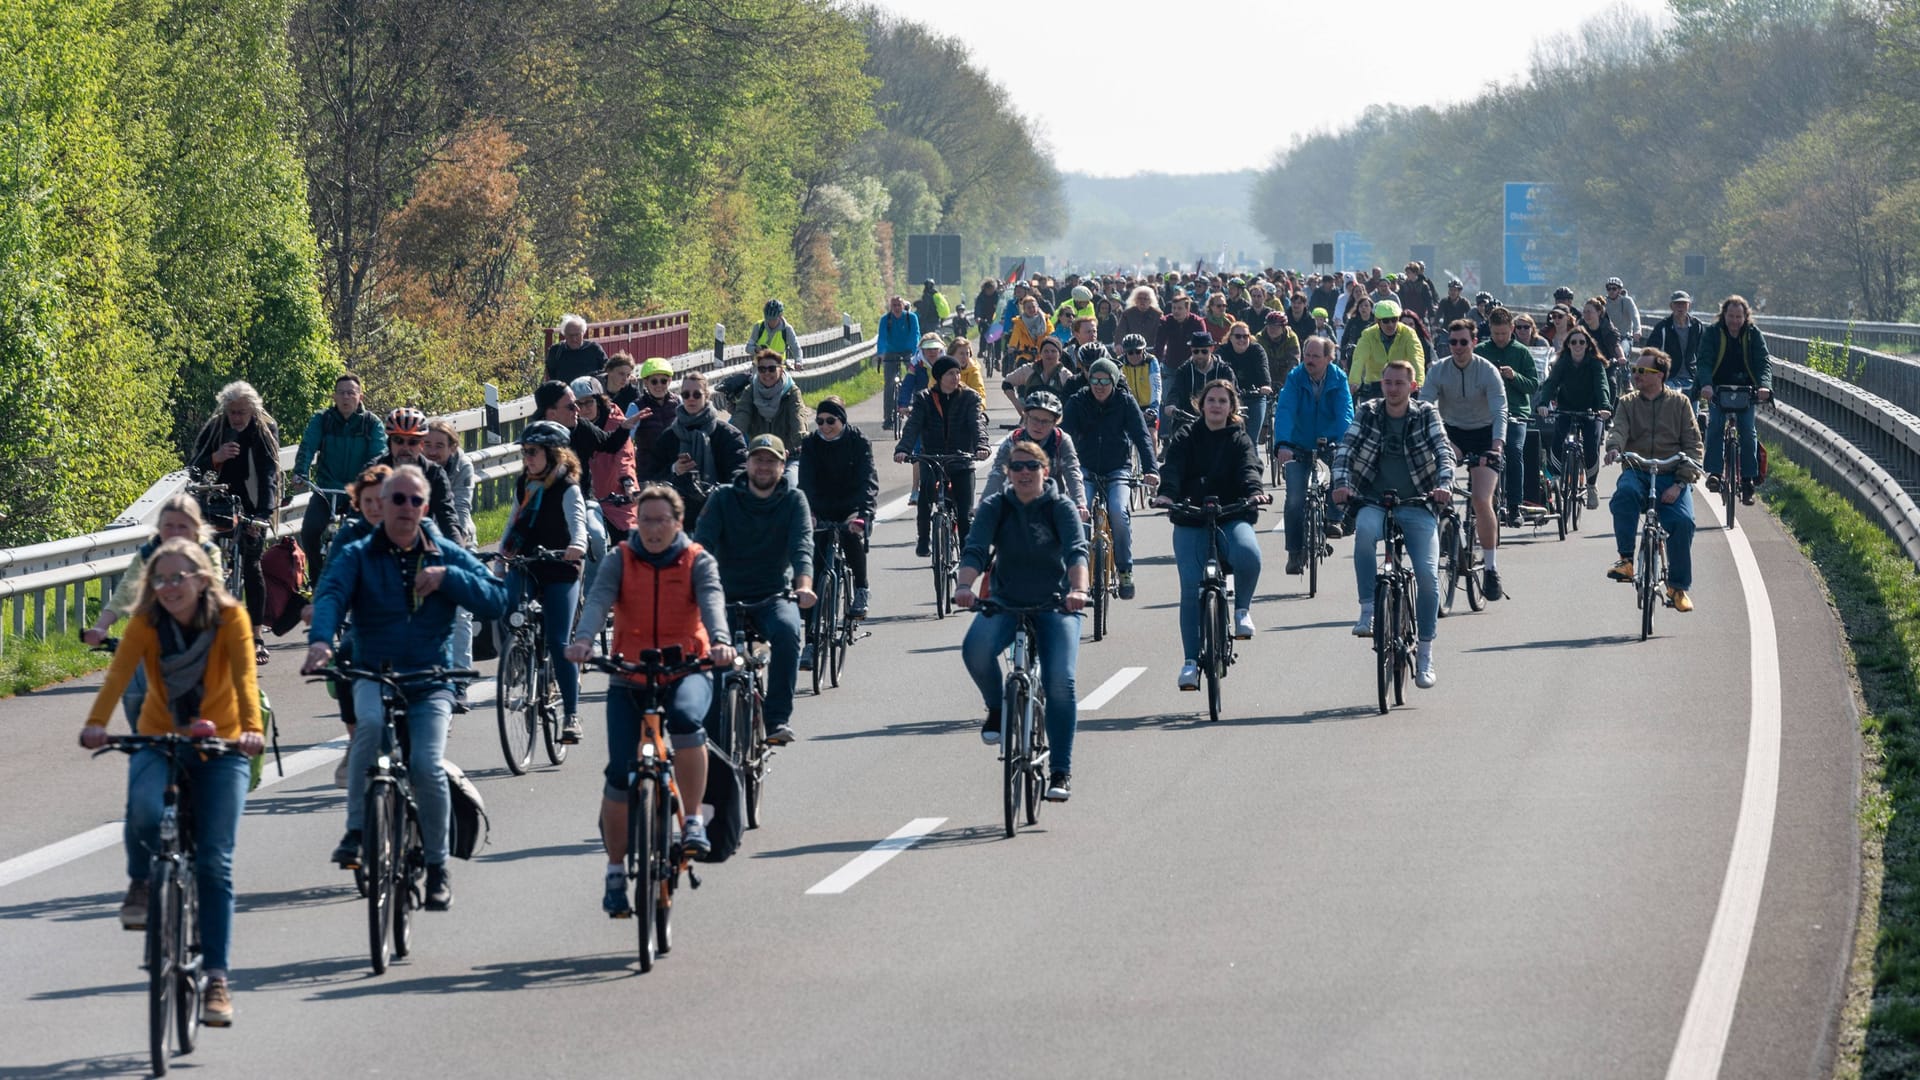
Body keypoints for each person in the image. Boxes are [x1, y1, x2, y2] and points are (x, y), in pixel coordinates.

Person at [80, 538, 265, 1027]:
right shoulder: (147, 622)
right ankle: (144, 885)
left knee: (214, 862)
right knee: (142, 811)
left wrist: (252, 730)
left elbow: (246, 681)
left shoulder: (230, 618)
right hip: (160, 735)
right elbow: (119, 675)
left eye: (177, 578)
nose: (167, 588)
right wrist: (96, 723)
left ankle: (218, 979)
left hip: (223, 744)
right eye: (159, 580)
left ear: (202, 578)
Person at [307, 465, 508, 909]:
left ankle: (437, 868)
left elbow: (497, 596)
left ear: (426, 507)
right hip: (372, 672)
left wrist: (447, 579)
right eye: (396, 499)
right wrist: (321, 642)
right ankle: (358, 832)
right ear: (379, 506)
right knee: (370, 725)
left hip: (429, 680)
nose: (404, 508)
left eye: (414, 501)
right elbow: (331, 596)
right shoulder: (358, 553)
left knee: (427, 767)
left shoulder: (443, 551)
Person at [566, 485, 734, 905]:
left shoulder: (697, 560)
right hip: (631, 674)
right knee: (620, 777)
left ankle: (692, 820)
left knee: (685, 722)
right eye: (646, 520)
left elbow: (713, 603)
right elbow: (598, 600)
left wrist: (720, 642)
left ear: (678, 522)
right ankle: (615, 871)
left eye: (662, 520)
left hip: (686, 669)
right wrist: (584, 641)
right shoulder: (619, 559)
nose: (653, 528)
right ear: (635, 522)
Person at [953, 440, 1088, 802]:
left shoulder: (1059, 507)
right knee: (975, 650)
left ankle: (1060, 770)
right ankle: (997, 708)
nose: (1024, 473)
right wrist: (965, 585)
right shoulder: (997, 506)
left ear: (1046, 470)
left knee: (1061, 681)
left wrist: (1078, 591)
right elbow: (976, 549)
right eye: (1017, 467)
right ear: (1008, 473)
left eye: (1032, 466)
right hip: (1005, 601)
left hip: (1057, 604)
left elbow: (1077, 550)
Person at [1333, 359, 1452, 689]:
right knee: (1364, 536)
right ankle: (1368, 610)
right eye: (1388, 382)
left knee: (1428, 577)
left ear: (1412, 387)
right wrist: (1341, 484)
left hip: (1418, 503)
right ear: (1381, 384)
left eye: (1400, 383)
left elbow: (1443, 451)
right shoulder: (1369, 411)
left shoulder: (1426, 413)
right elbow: (1346, 449)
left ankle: (1425, 653)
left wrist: (1444, 484)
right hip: (1374, 501)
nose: (1393, 388)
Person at [693, 434, 814, 746]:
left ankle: (776, 720)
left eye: (771, 460)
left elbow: (802, 547)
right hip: (724, 597)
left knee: (788, 632)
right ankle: (712, 741)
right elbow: (701, 544)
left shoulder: (793, 500)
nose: (763, 466)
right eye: (758, 459)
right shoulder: (722, 497)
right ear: (747, 463)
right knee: (716, 666)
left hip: (773, 595)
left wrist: (804, 587)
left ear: (781, 465)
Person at [1153, 381, 1271, 691]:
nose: (1216, 405)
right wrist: (1167, 495)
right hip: (1191, 518)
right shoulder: (1185, 436)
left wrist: (1254, 492)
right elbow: (1173, 468)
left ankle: (1242, 610)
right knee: (1191, 589)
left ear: (1232, 407)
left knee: (1249, 555)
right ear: (1200, 404)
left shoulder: (1239, 438)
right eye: (1211, 400)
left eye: (1223, 401)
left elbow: (1249, 467)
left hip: (1231, 515)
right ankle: (1190, 662)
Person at [84, 496, 226, 726]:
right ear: (159, 528)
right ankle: (144, 749)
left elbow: (215, 587)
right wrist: (101, 626)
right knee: (133, 696)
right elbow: (126, 592)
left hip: (195, 636)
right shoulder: (148, 553)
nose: (175, 532)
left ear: (196, 529)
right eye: (169, 526)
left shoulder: (207, 553)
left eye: (183, 526)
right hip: (151, 635)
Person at [499, 421, 591, 741]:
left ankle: (572, 715)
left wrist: (577, 546)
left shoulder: (568, 487)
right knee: (508, 604)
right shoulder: (524, 482)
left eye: (533, 452)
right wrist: (501, 558)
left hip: (560, 567)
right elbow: (512, 524)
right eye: (524, 452)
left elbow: (578, 523)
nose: (528, 458)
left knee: (558, 641)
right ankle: (519, 658)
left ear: (553, 454)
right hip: (527, 563)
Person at [1604, 348, 1705, 611]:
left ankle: (1677, 587)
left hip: (1672, 474)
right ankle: (1626, 560)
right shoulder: (1627, 402)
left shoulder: (1680, 404)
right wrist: (1614, 448)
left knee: (1683, 522)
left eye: (1642, 371)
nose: (1636, 375)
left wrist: (1680, 483)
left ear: (1659, 375)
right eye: (1635, 370)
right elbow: (1618, 430)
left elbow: (1694, 446)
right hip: (1638, 470)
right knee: (1624, 495)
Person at [188, 381, 281, 666]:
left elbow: (269, 474)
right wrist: (215, 458)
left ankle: (256, 637)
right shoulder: (216, 427)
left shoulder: (264, 429)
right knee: (208, 566)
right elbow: (193, 468)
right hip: (217, 503)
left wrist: (264, 516)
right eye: (233, 412)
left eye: (243, 412)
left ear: (253, 409)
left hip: (252, 505)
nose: (238, 418)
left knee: (252, 567)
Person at [1419, 320, 1509, 600]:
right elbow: (1424, 405)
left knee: (1481, 499)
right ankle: (1441, 534)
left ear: (1474, 341)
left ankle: (1491, 568)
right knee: (1433, 483)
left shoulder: (1487, 371)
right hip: (1452, 434)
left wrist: (1496, 446)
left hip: (1484, 436)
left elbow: (1500, 411)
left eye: (1463, 342)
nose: (1457, 348)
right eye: (1452, 343)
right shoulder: (1438, 370)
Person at [1061, 359, 1159, 599]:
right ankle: (1077, 571)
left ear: (1114, 381)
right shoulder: (1077, 402)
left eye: (1105, 380)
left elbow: (1142, 437)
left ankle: (1125, 570)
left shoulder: (1125, 402)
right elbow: (1062, 437)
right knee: (1079, 515)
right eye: (1095, 379)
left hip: (1118, 469)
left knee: (1118, 511)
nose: (1099, 385)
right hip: (1084, 468)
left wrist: (1151, 469)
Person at [1273, 335, 1356, 574]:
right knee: (1295, 499)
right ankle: (1295, 553)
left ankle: (1333, 519)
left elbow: (1345, 414)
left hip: (1330, 439)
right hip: (1297, 442)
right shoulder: (1295, 377)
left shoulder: (1339, 379)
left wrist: (1343, 443)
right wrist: (1283, 444)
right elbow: (1285, 410)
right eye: (1307, 355)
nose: (1309, 360)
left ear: (1329, 358)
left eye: (1315, 356)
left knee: (1342, 472)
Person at [291, 372, 387, 573]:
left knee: (365, 533)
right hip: (326, 490)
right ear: (334, 397)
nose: (346, 397)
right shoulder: (322, 420)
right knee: (310, 531)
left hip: (359, 492)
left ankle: (363, 578)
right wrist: (301, 472)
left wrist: (364, 483)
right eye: (341, 393)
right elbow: (307, 446)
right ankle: (317, 580)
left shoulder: (372, 424)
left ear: (360, 397)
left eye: (351, 393)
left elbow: (378, 457)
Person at [797, 395, 878, 634]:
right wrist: (808, 512)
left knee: (851, 536)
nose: (824, 426)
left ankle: (862, 589)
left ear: (842, 420)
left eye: (830, 420)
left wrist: (864, 515)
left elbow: (868, 480)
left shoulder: (858, 440)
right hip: (820, 508)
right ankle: (811, 641)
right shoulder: (811, 443)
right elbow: (806, 482)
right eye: (820, 421)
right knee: (814, 568)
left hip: (850, 506)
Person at [896, 356, 991, 556]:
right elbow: (913, 426)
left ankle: (966, 552)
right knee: (925, 497)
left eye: (957, 373)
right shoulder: (924, 398)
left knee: (965, 512)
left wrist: (981, 445)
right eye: (950, 373)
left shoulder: (970, 398)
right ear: (939, 377)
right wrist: (903, 449)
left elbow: (977, 424)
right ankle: (924, 540)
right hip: (932, 458)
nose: (956, 377)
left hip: (961, 458)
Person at [421, 420, 481, 708]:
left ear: (452, 447)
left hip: (458, 539)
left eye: (439, 446)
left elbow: (458, 508)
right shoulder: (412, 464)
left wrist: (453, 548)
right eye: (427, 444)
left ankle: (458, 682)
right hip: (415, 542)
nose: (432, 452)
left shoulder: (462, 467)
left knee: (460, 612)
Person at [1698, 294, 1773, 504]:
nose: (1734, 321)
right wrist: (1705, 384)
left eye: (1739, 317)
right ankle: (1714, 473)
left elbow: (1763, 362)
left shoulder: (1753, 334)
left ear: (1745, 317)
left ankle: (1748, 480)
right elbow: (1703, 360)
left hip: (1745, 390)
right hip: (1717, 390)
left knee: (1748, 432)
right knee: (1715, 427)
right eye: (1731, 316)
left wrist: (1764, 386)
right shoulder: (1713, 333)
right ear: (1724, 315)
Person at [651, 370, 746, 528]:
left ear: (707, 396)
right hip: (676, 518)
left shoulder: (728, 434)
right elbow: (651, 475)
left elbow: (740, 472)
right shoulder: (668, 436)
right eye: (686, 395)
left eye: (697, 394)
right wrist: (675, 470)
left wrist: (719, 492)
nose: (691, 399)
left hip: (718, 514)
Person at [1475, 308, 1544, 522]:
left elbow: (1533, 386)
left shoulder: (1522, 352)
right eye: (1496, 334)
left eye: (1504, 334)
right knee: (1480, 455)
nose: (1500, 338)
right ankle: (1480, 502)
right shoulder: (1480, 351)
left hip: (1516, 412)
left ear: (1512, 330)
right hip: (1486, 413)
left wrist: (1514, 377)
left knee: (1514, 451)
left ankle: (1515, 505)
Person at [1539, 324, 1614, 509]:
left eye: (1582, 341)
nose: (1578, 345)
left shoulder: (1595, 363)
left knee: (1591, 444)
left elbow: (1602, 386)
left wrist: (1604, 407)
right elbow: (1551, 383)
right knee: (1557, 438)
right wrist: (1543, 403)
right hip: (1566, 407)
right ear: (1568, 345)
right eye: (1574, 342)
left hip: (1591, 409)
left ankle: (1590, 486)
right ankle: (1555, 478)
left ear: (1588, 344)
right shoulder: (1563, 361)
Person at [983, 391, 1088, 517]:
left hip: (1053, 504)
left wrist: (1080, 504)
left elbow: (1072, 472)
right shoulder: (1014, 440)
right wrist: (985, 504)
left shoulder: (1061, 440)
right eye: (1034, 419)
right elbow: (998, 473)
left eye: (1045, 421)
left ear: (1055, 423)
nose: (1039, 426)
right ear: (1026, 418)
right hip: (1017, 504)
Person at [374, 407, 459, 541]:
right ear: (390, 443)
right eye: (398, 440)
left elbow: (447, 519)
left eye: (412, 442)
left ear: (421, 445)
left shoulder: (434, 474)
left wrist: (459, 553)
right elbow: (356, 519)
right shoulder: (374, 471)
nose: (405, 448)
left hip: (420, 546)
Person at [730, 349, 806, 484]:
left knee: (790, 485)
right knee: (737, 485)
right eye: (762, 369)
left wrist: (801, 442)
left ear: (781, 370)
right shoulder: (750, 391)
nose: (767, 373)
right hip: (758, 457)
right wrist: (728, 437)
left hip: (788, 456)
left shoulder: (792, 393)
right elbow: (741, 417)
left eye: (771, 369)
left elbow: (798, 418)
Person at [1162, 330, 1237, 443]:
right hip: (1188, 419)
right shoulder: (1184, 371)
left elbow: (1233, 394)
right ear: (1191, 351)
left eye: (1204, 351)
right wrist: (1171, 405)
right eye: (1196, 351)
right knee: (1179, 447)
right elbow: (1175, 391)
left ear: (1212, 349)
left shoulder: (1224, 370)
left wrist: (1234, 408)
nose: (1200, 355)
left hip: (1219, 419)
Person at [1348, 299, 1425, 400]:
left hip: (1400, 384)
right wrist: (1354, 381)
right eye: (1385, 321)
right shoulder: (1368, 334)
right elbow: (1359, 358)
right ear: (1378, 321)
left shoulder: (1409, 333)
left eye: (1394, 320)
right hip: (1374, 387)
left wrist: (1418, 382)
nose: (1391, 324)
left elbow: (1416, 357)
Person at [1219, 320, 1274, 451]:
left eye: (1245, 336)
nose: (1242, 339)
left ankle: (1252, 470)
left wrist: (1266, 385)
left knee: (1251, 439)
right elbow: (1217, 371)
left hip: (1256, 396)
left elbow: (1263, 369)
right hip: (1231, 398)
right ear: (1230, 337)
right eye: (1238, 336)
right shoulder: (1222, 351)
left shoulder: (1257, 350)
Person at [627, 357, 682, 479]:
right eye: (654, 381)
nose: (659, 385)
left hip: (675, 469)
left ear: (670, 380)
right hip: (648, 472)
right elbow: (626, 440)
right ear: (646, 382)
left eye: (663, 381)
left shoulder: (679, 402)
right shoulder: (636, 407)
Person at [1644, 290, 1706, 396]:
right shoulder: (1663, 326)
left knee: (1692, 412)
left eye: (1683, 304)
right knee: (1671, 410)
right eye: (1677, 304)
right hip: (1669, 377)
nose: (1680, 307)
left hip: (1691, 377)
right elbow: (1651, 351)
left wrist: (1702, 377)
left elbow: (1703, 352)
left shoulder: (1697, 326)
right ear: (1671, 306)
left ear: (1689, 305)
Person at [1001, 336, 1079, 414]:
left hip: (1055, 421)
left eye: (1053, 351)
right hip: (1030, 421)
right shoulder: (1028, 370)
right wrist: (1019, 408)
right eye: (1046, 351)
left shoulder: (1066, 375)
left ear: (1060, 354)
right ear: (1040, 353)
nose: (1049, 354)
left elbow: (1074, 402)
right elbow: (1006, 383)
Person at [877, 296, 921, 432]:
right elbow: (882, 337)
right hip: (891, 351)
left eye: (898, 305)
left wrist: (913, 353)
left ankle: (917, 410)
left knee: (914, 378)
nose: (896, 308)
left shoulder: (911, 317)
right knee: (889, 384)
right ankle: (887, 418)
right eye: (894, 305)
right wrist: (881, 352)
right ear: (891, 306)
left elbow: (915, 335)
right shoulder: (885, 319)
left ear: (903, 306)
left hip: (908, 350)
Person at [545, 314, 607, 384]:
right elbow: (551, 374)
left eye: (577, 335)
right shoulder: (556, 351)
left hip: (590, 391)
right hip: (565, 392)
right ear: (564, 334)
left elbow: (607, 369)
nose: (574, 339)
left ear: (583, 333)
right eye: (570, 335)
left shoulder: (594, 349)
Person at [1004, 293, 1055, 371]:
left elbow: (1051, 335)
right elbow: (1015, 336)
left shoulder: (1046, 320)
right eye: (1028, 308)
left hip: (1043, 354)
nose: (1032, 309)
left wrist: (1051, 346)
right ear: (1024, 309)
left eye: (1033, 307)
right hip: (1025, 354)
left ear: (1037, 307)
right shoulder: (1019, 322)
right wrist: (1012, 347)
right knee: (1021, 367)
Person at [1156, 291, 1206, 371]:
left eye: (1179, 308)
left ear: (1187, 309)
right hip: (1171, 366)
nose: (1176, 311)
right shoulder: (1165, 321)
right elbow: (1159, 346)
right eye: (1174, 308)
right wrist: (1156, 365)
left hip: (1192, 367)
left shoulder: (1197, 322)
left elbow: (1202, 345)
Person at [748, 299, 802, 363]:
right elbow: (748, 347)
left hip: (778, 367)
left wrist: (798, 361)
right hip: (760, 367)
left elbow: (796, 348)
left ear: (780, 316)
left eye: (773, 319)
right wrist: (756, 350)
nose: (770, 322)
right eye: (768, 319)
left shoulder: (787, 329)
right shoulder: (758, 327)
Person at [1604, 277, 1643, 347]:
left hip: (1625, 337)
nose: (1611, 291)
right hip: (1609, 337)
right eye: (1609, 289)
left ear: (1619, 290)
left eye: (1614, 289)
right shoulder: (1604, 302)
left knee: (1624, 349)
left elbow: (1635, 315)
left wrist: (1637, 330)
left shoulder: (1627, 301)